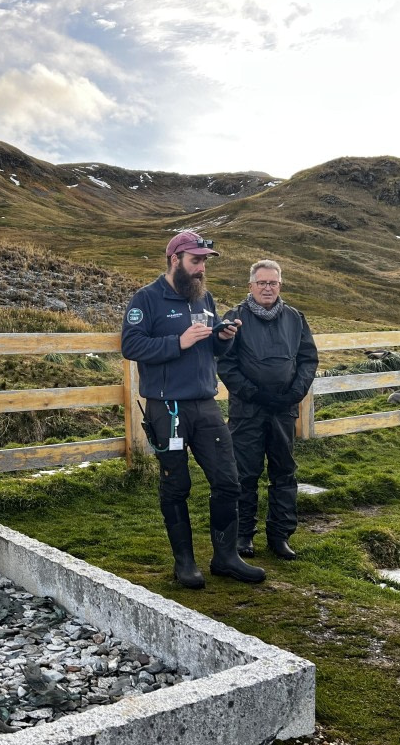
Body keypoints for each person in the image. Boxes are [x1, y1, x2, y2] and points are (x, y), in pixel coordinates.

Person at [122, 231, 266, 588]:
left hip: (205, 404)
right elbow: (131, 344)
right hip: (166, 407)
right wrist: (178, 341)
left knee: (229, 481)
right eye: (196, 260)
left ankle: (226, 557)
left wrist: (222, 340)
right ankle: (184, 564)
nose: (202, 268)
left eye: (204, 261)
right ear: (175, 259)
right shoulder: (147, 298)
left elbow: (212, 353)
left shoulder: (205, 298)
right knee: (176, 485)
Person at [217, 260, 318, 560]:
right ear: (250, 286)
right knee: (244, 474)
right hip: (247, 411)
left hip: (283, 410)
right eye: (261, 282)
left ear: (280, 285)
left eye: (273, 283)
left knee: (284, 472)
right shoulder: (235, 318)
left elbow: (307, 359)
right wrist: (254, 394)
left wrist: (294, 394)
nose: (267, 287)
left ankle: (280, 535)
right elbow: (225, 363)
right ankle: (243, 535)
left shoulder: (294, 318)